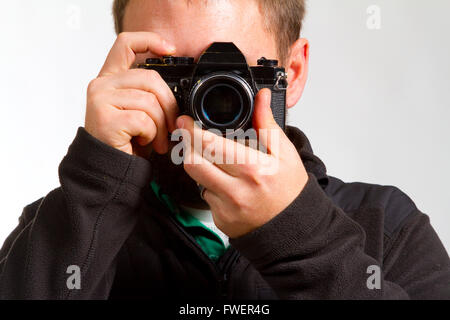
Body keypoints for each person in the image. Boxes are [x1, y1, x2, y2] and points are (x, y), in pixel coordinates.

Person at [0, 0, 449, 300]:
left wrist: (300, 236)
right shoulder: (61, 230)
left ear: (291, 72)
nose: (204, 103)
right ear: (124, 72)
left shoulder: (387, 226)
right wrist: (96, 189)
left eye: (232, 74)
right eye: (169, 71)